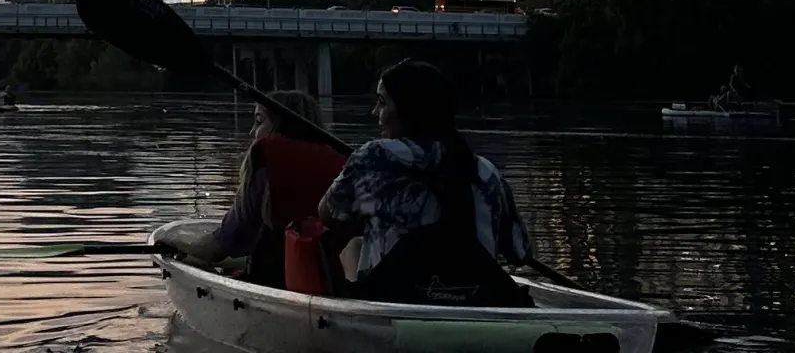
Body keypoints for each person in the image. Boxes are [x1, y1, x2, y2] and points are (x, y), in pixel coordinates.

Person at [317, 59, 531, 307]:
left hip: (396, 303)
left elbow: (327, 213)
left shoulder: (374, 157)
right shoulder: (486, 171)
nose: (375, 112)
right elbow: (521, 253)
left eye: (382, 102)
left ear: (409, 109)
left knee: (354, 246)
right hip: (477, 301)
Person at [153, 91, 346, 289]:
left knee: (205, 263)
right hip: (329, 281)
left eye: (259, 121)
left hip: (274, 283)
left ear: (279, 125)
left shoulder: (268, 163)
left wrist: (176, 243)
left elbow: (217, 247)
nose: (252, 132)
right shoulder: (341, 164)